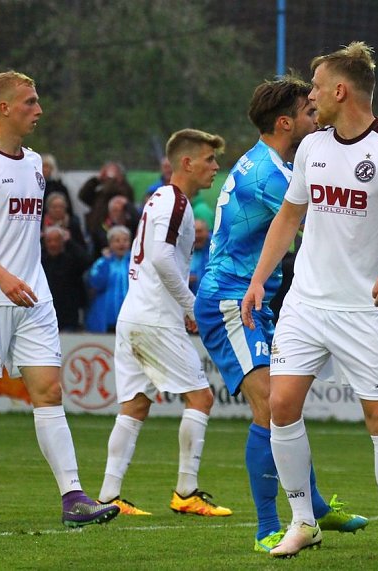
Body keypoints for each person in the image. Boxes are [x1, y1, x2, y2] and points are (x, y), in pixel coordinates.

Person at [241, 42, 378, 563]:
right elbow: (290, 216)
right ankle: (302, 523)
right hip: (306, 305)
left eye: (315, 87)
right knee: (280, 406)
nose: (309, 96)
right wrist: (258, 280)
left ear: (340, 91)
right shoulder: (312, 147)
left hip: (364, 312)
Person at [193, 76, 369, 553]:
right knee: (272, 408)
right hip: (231, 300)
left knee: (284, 407)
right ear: (287, 123)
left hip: (254, 300)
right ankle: (268, 526)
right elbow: (330, 224)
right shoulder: (270, 176)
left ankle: (311, 508)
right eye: (309, 114)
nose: (317, 119)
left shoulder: (273, 164)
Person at [0, 70, 119, 527]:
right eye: (31, 102)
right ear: (4, 108)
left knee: (49, 391)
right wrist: (2, 277)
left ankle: (73, 497)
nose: (39, 109)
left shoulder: (35, 163)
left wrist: (22, 279)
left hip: (34, 298)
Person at [97, 129, 232, 518]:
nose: (215, 167)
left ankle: (109, 497)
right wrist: (190, 307)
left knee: (135, 405)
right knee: (201, 398)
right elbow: (160, 259)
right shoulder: (175, 202)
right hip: (155, 318)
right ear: (186, 163)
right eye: (209, 159)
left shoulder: (161, 199)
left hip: (135, 314)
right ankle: (186, 491)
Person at [40, 225, 90, 331]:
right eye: (49, 241)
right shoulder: (40, 260)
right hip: (44, 313)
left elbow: (86, 261)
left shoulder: (71, 259)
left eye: (57, 240)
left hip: (69, 314)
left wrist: (70, 242)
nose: (53, 244)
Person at [84, 225, 131, 333]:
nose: (121, 244)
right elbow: (95, 284)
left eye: (125, 240)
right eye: (117, 240)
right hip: (105, 315)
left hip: (129, 316)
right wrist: (106, 262)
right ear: (110, 244)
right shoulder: (101, 263)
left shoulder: (134, 263)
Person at [40, 153, 74, 217]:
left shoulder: (60, 187)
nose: (44, 169)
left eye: (46, 166)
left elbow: (69, 209)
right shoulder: (34, 187)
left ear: (52, 169)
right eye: (42, 166)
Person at [188, 219, 210, 294]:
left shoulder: (216, 249)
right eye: (193, 232)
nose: (196, 235)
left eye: (199, 231)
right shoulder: (183, 249)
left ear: (207, 232)